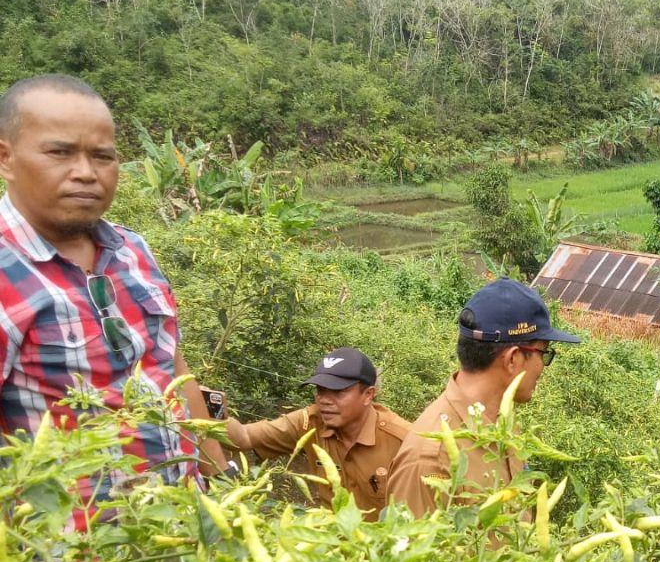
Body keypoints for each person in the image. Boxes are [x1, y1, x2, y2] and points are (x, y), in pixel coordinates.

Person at [0, 74, 225, 523]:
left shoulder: (133, 251)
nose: (86, 172)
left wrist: (219, 475)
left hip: (184, 528)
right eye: (60, 152)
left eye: (103, 156)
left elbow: (173, 370)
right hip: (71, 561)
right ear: (5, 158)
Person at [388, 278, 581, 518]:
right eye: (544, 353)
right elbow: (413, 551)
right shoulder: (430, 460)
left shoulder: (502, 424)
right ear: (513, 359)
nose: (543, 366)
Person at [224, 348, 409, 520]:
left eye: (338, 392)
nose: (325, 401)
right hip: (330, 544)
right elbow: (244, 438)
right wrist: (210, 413)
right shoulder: (309, 423)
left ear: (368, 394)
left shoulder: (403, 440)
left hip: (385, 549)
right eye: (320, 391)